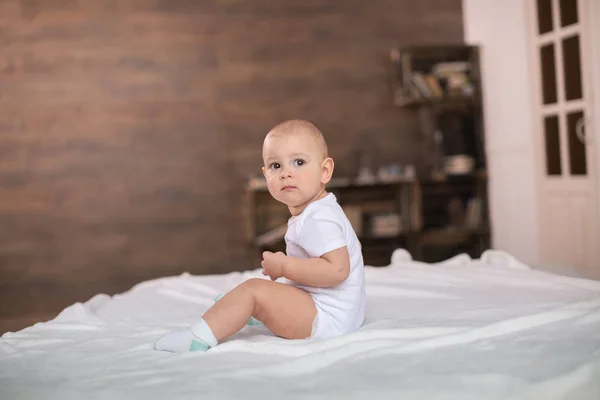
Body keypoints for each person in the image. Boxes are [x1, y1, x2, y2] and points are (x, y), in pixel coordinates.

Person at [154, 119, 365, 352]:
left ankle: (198, 337)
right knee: (261, 293)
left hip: (328, 320)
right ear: (266, 175)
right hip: (336, 315)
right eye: (276, 166)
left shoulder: (318, 219)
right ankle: (243, 311)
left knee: (253, 290)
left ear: (324, 171)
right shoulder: (317, 210)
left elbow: (338, 270)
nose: (286, 173)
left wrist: (285, 267)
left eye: (298, 162)